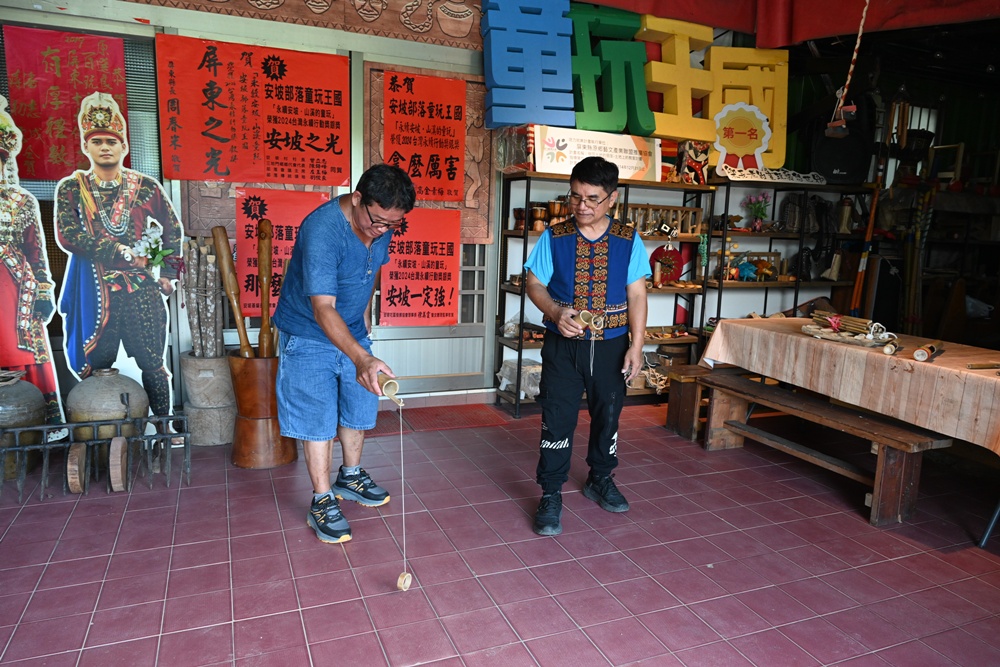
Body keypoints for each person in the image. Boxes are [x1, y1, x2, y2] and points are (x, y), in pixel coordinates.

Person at [273, 163, 416, 544]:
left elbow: (375, 269)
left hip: (351, 330)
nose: (384, 230)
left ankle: (350, 477)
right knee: (316, 417)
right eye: (379, 221)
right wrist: (362, 357)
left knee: (359, 403)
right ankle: (321, 500)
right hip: (307, 332)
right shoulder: (323, 230)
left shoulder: (380, 225)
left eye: (393, 224)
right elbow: (323, 308)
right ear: (357, 199)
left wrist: (364, 317)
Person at [523, 156, 649, 536]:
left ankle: (600, 478)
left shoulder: (628, 240)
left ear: (612, 199)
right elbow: (534, 284)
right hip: (563, 347)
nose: (581, 206)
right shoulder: (555, 237)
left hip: (611, 345)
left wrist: (637, 345)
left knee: (607, 417)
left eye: (592, 198)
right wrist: (555, 311)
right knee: (557, 417)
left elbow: (637, 294)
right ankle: (550, 492)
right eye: (575, 196)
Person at [54, 92, 183, 419]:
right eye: (96, 141)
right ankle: (100, 432)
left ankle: (164, 430)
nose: (105, 147)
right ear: (86, 146)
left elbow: (172, 228)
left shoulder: (145, 186)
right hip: (96, 291)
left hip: (140, 289)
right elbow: (67, 234)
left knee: (154, 363)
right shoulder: (74, 188)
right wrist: (113, 249)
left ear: (124, 146)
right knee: (97, 365)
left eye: (112, 140)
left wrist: (169, 273)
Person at [0, 95, 63, 422]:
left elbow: (36, 254)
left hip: (15, 294)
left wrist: (42, 293)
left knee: (20, 349)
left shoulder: (20, 201)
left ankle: (31, 424)